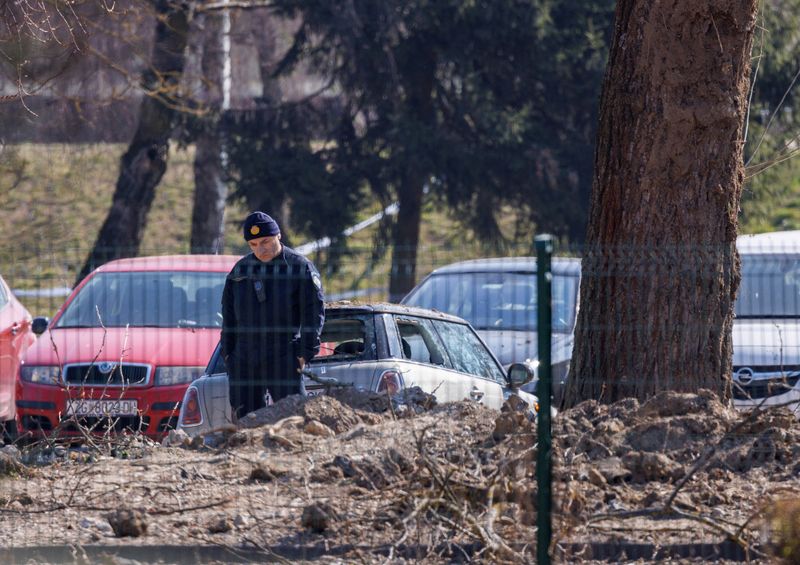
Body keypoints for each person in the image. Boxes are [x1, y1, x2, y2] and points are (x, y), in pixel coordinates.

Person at [221, 211, 325, 417]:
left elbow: (314, 312)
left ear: (278, 236)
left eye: (265, 241)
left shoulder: (299, 267)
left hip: (283, 354)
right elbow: (229, 316)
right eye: (254, 244)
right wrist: (228, 354)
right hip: (244, 357)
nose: (261, 248)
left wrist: (305, 352)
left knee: (295, 418)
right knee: (246, 423)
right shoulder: (240, 271)